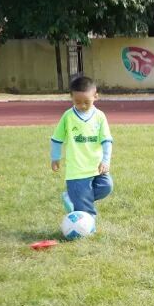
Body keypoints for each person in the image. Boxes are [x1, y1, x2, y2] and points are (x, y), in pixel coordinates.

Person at [50, 76, 113, 216]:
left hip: (97, 166)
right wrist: (55, 157)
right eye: (78, 102)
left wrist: (106, 161)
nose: (82, 105)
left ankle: (73, 198)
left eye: (87, 102)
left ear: (95, 96)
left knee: (106, 186)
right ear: (71, 97)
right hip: (77, 170)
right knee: (85, 207)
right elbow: (56, 139)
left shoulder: (100, 116)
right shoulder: (68, 117)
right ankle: (88, 226)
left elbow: (107, 141)